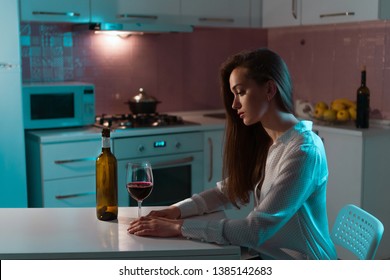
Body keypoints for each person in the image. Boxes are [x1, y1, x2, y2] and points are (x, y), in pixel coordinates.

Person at [127, 48, 337, 260]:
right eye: (233, 94)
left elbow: (254, 230)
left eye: (241, 92)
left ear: (270, 90)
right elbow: (228, 190)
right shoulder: (273, 141)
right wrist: (175, 210)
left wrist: (179, 227)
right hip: (269, 256)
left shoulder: (303, 151)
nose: (235, 104)